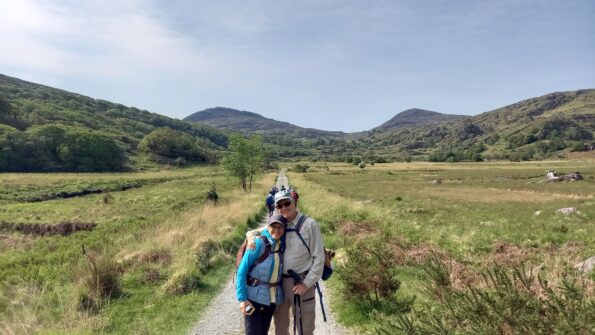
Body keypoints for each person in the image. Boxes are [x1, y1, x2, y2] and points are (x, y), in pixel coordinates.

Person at [247, 190, 325, 335]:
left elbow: (319, 258)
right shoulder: (278, 225)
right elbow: (253, 232)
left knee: (305, 327)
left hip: (301, 281)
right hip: (279, 284)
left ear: (294, 202)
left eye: (287, 203)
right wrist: (250, 238)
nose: (283, 208)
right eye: (279, 205)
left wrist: (306, 283)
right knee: (280, 326)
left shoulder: (309, 225)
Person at [236, 214, 288, 335]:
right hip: (252, 300)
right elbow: (242, 271)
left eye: (280, 227)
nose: (276, 230)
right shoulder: (258, 244)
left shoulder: (281, 244)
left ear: (284, 229)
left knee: (263, 332)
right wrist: (242, 299)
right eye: (273, 226)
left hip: (270, 300)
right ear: (268, 227)